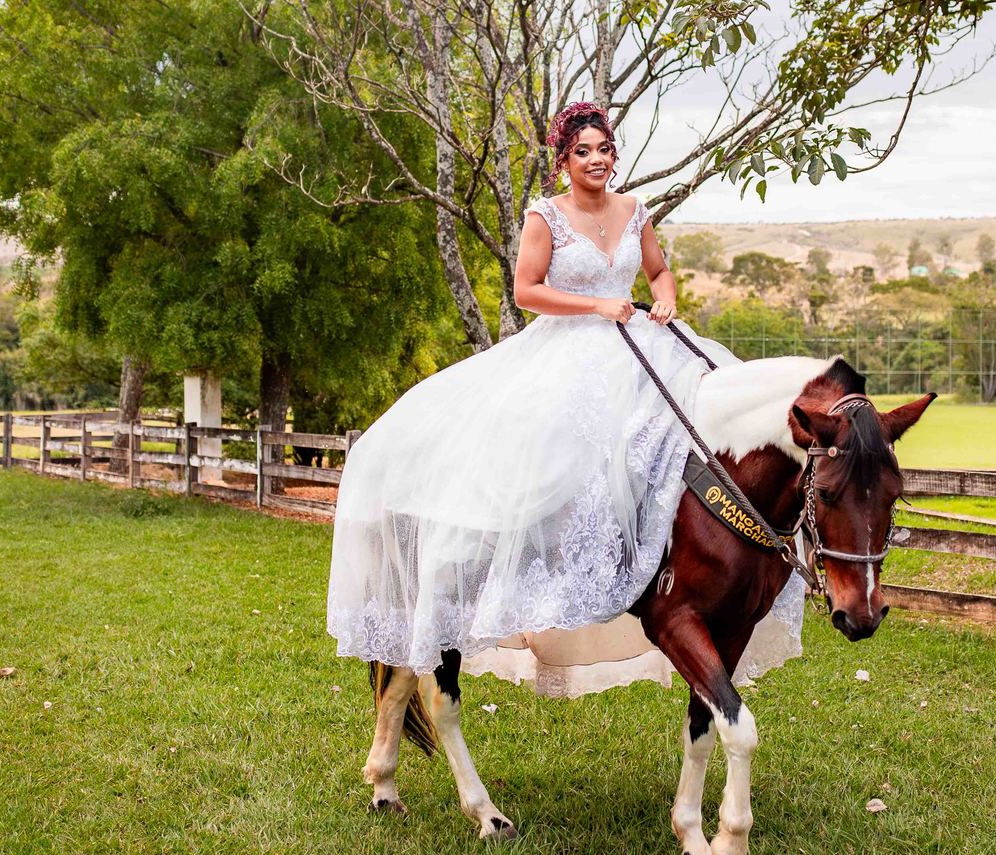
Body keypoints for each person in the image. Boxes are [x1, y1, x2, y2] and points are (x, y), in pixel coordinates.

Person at [326, 103, 773, 696]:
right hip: (569, 346)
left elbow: (659, 272)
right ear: (564, 161)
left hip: (637, 340)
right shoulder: (546, 216)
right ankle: (544, 559)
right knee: (561, 448)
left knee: (684, 426)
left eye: (605, 150)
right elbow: (526, 291)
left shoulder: (635, 211)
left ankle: (667, 554)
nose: (597, 160)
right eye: (583, 151)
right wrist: (595, 305)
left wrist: (663, 299)